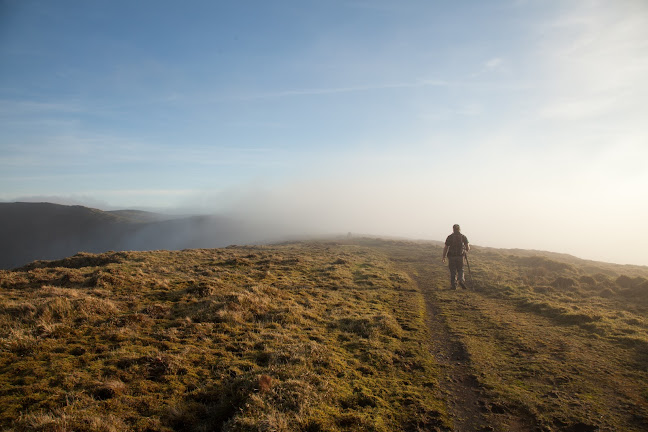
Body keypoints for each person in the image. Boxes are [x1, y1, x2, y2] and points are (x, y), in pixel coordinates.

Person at [442, 224, 470, 289]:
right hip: (460, 257)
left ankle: (454, 285)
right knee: (461, 269)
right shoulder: (463, 237)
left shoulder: (450, 237)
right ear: (459, 229)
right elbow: (468, 248)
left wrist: (444, 257)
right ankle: (461, 280)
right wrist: (465, 251)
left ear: (453, 229)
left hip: (451, 257)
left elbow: (446, 247)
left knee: (453, 270)